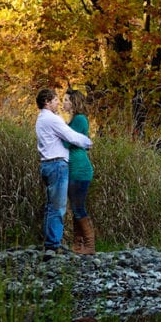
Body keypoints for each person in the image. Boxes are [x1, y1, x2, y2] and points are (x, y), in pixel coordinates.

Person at [35, 88, 92, 258]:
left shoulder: (41, 119)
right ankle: (53, 244)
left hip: (47, 164)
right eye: (55, 100)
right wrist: (88, 142)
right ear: (47, 102)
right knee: (58, 207)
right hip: (57, 165)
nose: (58, 103)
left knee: (53, 206)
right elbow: (71, 137)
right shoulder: (52, 119)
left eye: (63, 99)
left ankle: (55, 243)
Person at [63, 89, 95, 255]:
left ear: (74, 102)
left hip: (79, 169)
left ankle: (89, 245)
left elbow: (68, 143)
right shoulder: (75, 119)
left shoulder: (79, 120)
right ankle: (78, 245)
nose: (64, 103)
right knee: (75, 207)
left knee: (78, 207)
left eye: (67, 100)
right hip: (74, 168)